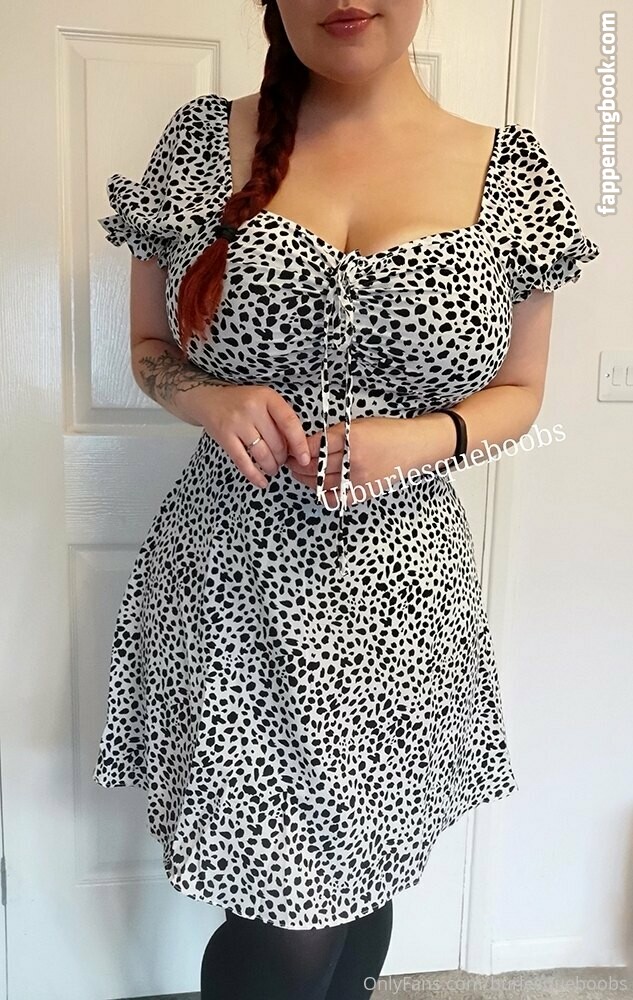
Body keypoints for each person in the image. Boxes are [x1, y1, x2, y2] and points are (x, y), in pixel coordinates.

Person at [92, 1, 601, 997]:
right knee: (283, 908)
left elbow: (522, 391)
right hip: (231, 588)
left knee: (362, 863)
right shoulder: (201, 142)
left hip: (400, 598)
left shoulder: (510, 170)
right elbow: (151, 348)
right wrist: (210, 398)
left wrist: (421, 437)